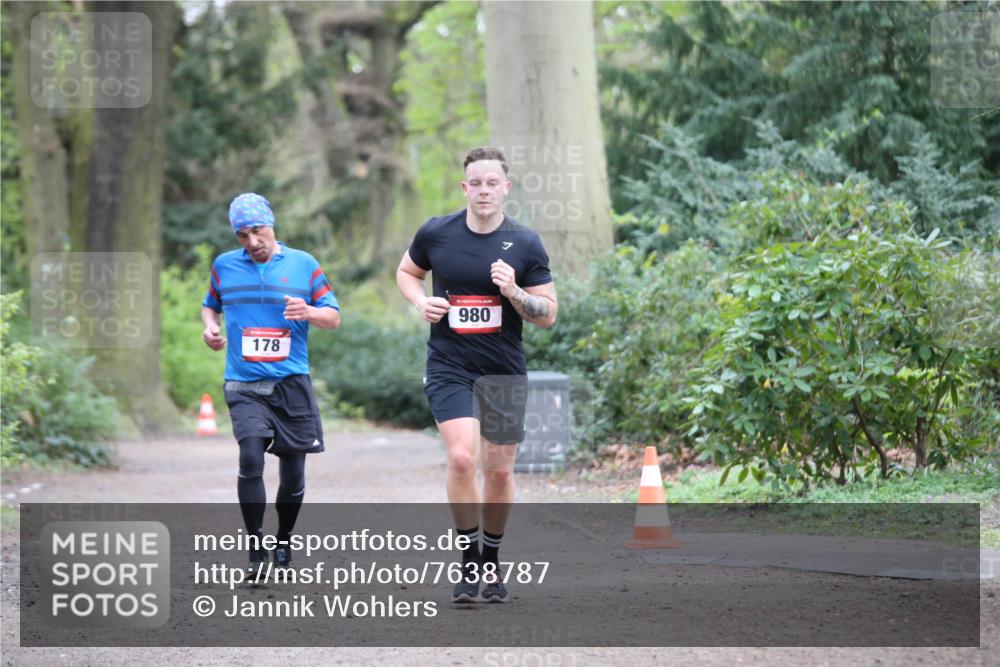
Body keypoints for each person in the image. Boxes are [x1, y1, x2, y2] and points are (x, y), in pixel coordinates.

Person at [396, 147, 558, 603]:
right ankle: (469, 561)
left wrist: (512, 291)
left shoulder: (525, 243)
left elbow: (547, 316)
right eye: (476, 183)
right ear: (464, 188)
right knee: (464, 459)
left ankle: (492, 557)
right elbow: (407, 273)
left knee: (501, 472)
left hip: (502, 368)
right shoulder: (436, 233)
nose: (484, 190)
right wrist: (418, 301)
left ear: (505, 188)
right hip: (449, 365)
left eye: (492, 183)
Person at [202, 193, 340, 572]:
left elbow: (333, 317)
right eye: (242, 235)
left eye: (257, 231)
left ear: (271, 225)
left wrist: (310, 311)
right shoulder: (224, 266)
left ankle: (283, 541)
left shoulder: (303, 264)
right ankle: (254, 547)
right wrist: (210, 327)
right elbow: (210, 304)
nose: (252, 242)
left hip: (290, 383)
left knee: (293, 473)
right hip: (244, 384)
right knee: (250, 456)